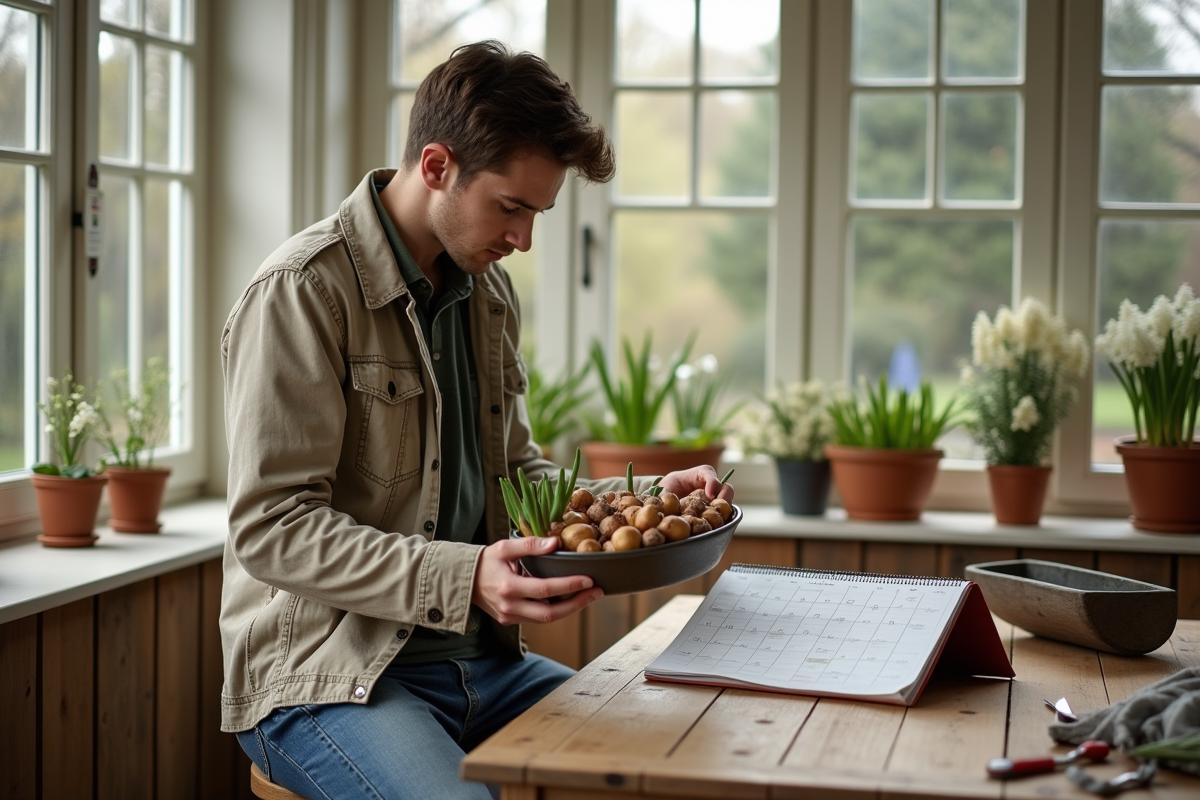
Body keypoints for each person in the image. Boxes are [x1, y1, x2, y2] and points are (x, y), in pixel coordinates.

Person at [220, 40, 734, 800]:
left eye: (538, 213)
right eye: (511, 207)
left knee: (687, 764)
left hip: (488, 669)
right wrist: (464, 578)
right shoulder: (302, 290)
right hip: (325, 677)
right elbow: (272, 528)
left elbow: (518, 479)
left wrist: (652, 498)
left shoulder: (486, 293)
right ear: (437, 166)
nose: (523, 239)